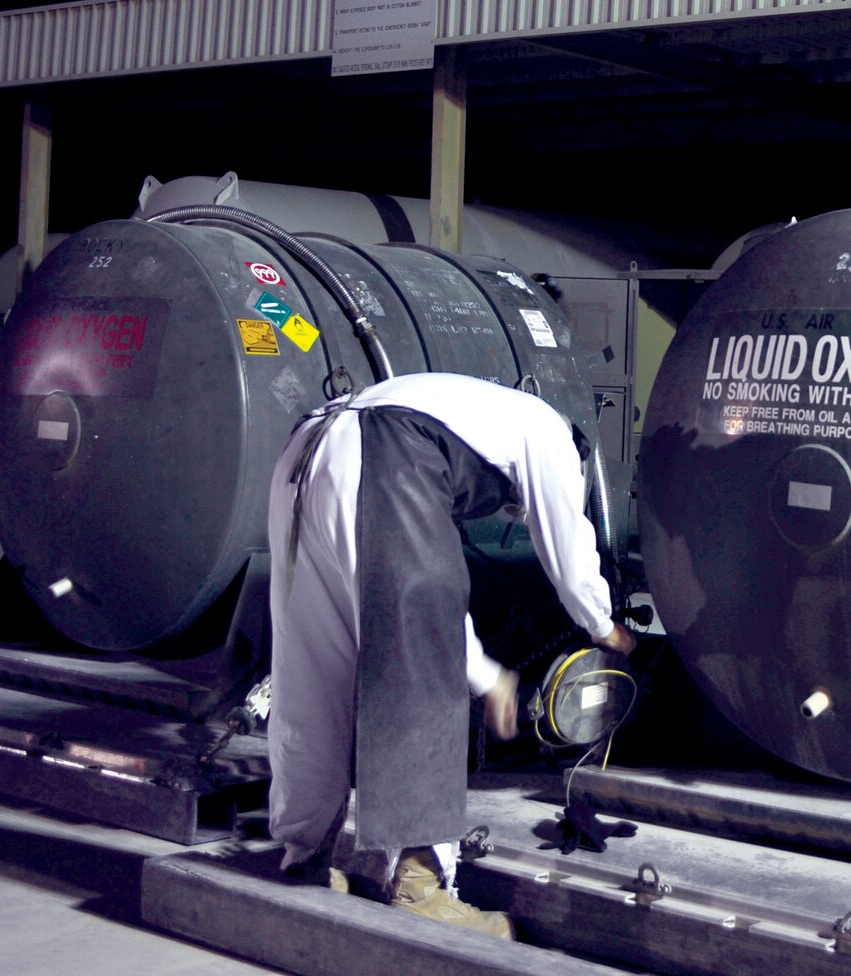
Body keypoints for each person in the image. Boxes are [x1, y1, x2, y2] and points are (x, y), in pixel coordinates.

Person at [265, 372, 635, 936]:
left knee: (314, 666)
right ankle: (420, 881)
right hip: (385, 454)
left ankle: (305, 857)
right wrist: (603, 623)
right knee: (425, 683)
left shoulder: (463, 408)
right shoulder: (548, 430)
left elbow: (423, 607)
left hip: (307, 449)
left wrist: (488, 675)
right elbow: (565, 542)